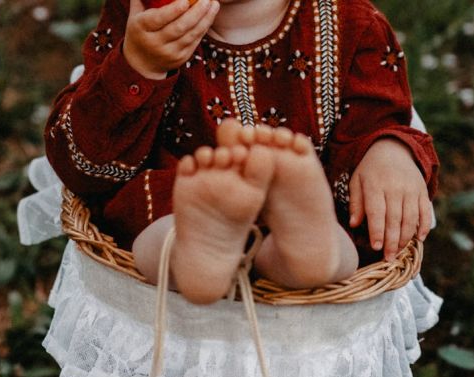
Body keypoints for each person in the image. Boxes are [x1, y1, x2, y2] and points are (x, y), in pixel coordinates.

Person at [44, 0, 439, 305]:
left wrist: (387, 151)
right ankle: (199, 251)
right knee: (157, 232)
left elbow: (378, 117)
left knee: (342, 237)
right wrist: (137, 65)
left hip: (307, 200)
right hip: (182, 197)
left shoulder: (351, 25)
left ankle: (309, 251)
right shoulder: (141, 19)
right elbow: (85, 166)